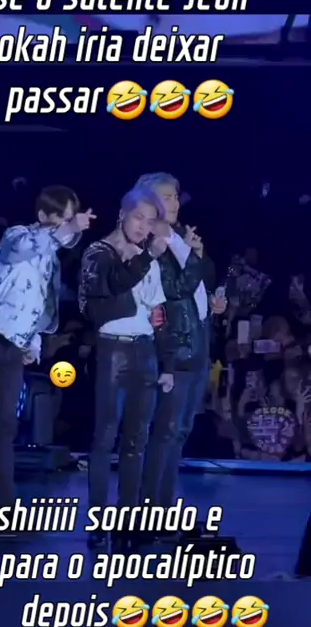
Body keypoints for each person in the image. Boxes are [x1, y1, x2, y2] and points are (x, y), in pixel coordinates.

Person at [0, 185, 94, 521]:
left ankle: (7, 506)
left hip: (13, 346)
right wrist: (67, 229)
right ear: (43, 216)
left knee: (6, 425)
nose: (68, 226)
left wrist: (32, 344)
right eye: (62, 218)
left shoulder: (51, 261)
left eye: (71, 218)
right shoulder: (18, 235)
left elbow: (38, 306)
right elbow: (23, 250)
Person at [79, 186, 204, 549]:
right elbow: (112, 287)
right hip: (112, 350)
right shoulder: (100, 253)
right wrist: (147, 256)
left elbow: (158, 313)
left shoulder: (149, 259)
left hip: (145, 351)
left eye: (150, 222)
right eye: (138, 218)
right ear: (123, 215)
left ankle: (129, 520)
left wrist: (168, 364)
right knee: (105, 437)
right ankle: (98, 521)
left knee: (137, 439)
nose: (143, 226)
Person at [134, 172, 227, 519]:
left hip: (198, 343)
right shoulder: (150, 242)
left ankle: (163, 503)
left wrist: (211, 298)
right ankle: (149, 508)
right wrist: (191, 257)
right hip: (173, 348)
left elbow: (200, 280)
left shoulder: (178, 236)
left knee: (180, 431)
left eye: (175, 196)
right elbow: (174, 289)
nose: (174, 202)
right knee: (165, 431)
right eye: (167, 196)